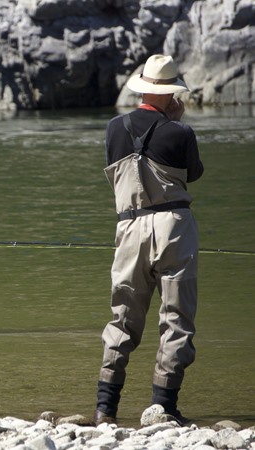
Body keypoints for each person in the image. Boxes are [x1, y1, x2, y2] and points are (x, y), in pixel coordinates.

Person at [94, 55, 204, 425]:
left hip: (128, 228)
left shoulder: (113, 127)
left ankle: (105, 409)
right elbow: (195, 174)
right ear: (172, 93)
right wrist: (174, 123)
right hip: (174, 226)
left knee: (123, 318)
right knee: (176, 318)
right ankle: (164, 406)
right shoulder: (180, 131)